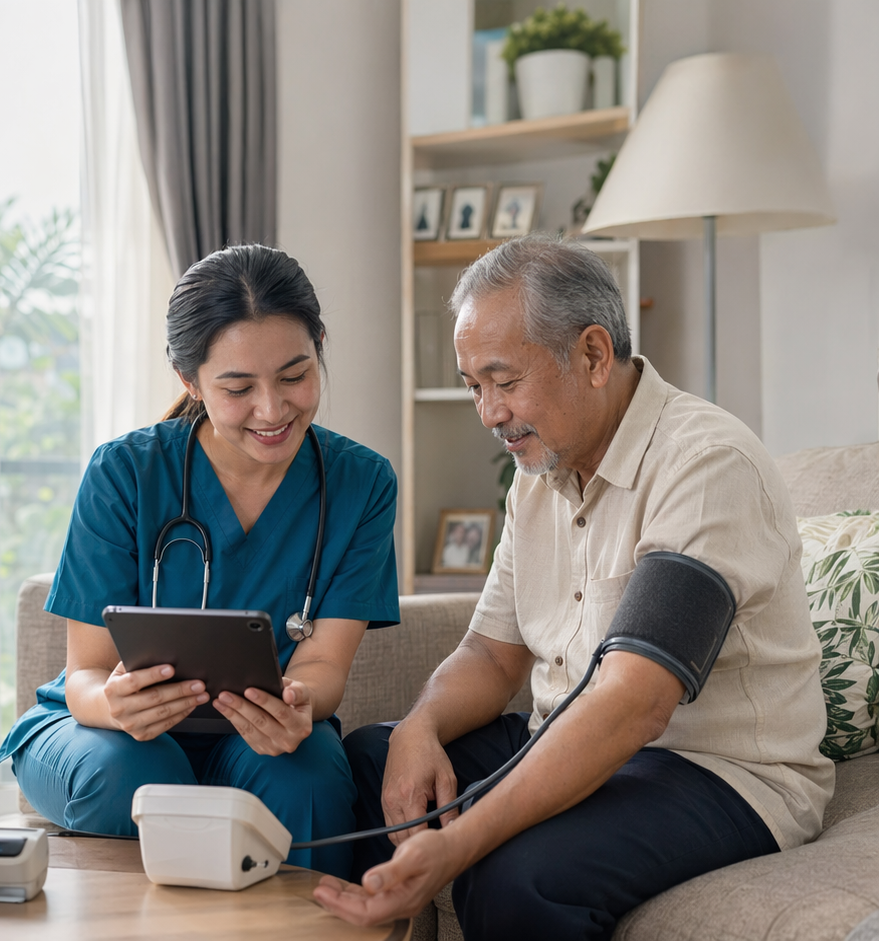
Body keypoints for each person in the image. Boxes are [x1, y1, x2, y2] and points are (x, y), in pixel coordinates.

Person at [313, 237, 833, 938]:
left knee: (515, 878)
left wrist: (463, 841)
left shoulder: (707, 465)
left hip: (716, 771)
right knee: (368, 762)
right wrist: (418, 727)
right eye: (473, 385)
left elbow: (633, 703)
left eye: (504, 380)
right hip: (566, 732)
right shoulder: (537, 477)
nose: (490, 412)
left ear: (592, 355)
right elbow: (492, 657)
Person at [0, 244, 400, 876]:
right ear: (190, 381)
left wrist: (299, 704)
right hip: (106, 735)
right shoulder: (125, 472)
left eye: (295, 375)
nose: (273, 410)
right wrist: (118, 705)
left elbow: (322, 665)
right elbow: (86, 677)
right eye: (238, 388)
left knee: (310, 777)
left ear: (319, 345)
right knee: (138, 771)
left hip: (258, 733)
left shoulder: (362, 484)